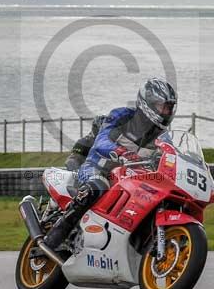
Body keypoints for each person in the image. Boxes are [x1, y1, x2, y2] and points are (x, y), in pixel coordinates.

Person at [42, 77, 177, 249]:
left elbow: (171, 158)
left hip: (130, 181)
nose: (166, 112)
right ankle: (55, 237)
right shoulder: (122, 116)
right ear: (148, 103)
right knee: (97, 186)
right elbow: (102, 140)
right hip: (97, 168)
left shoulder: (163, 137)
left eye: (169, 108)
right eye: (163, 106)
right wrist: (122, 153)